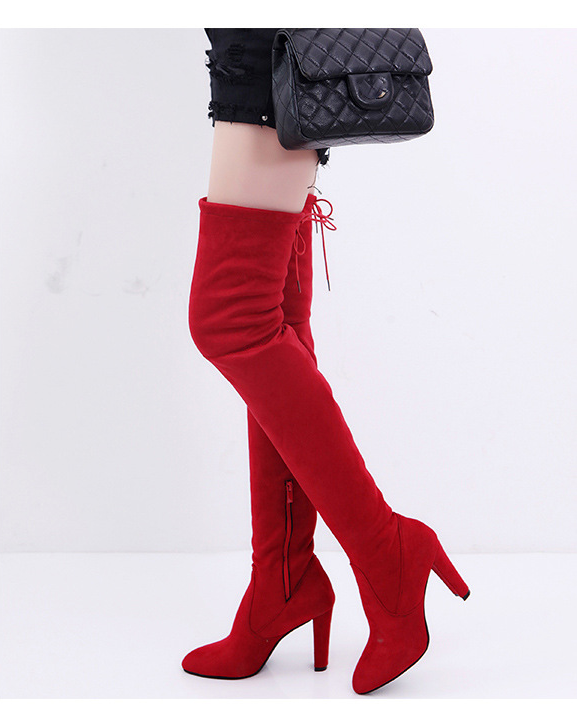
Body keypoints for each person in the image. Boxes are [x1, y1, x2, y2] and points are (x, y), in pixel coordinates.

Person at [182, 29, 470, 695]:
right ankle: (282, 581)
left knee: (232, 320)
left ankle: (386, 550)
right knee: (273, 325)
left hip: (264, 50)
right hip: (266, 56)